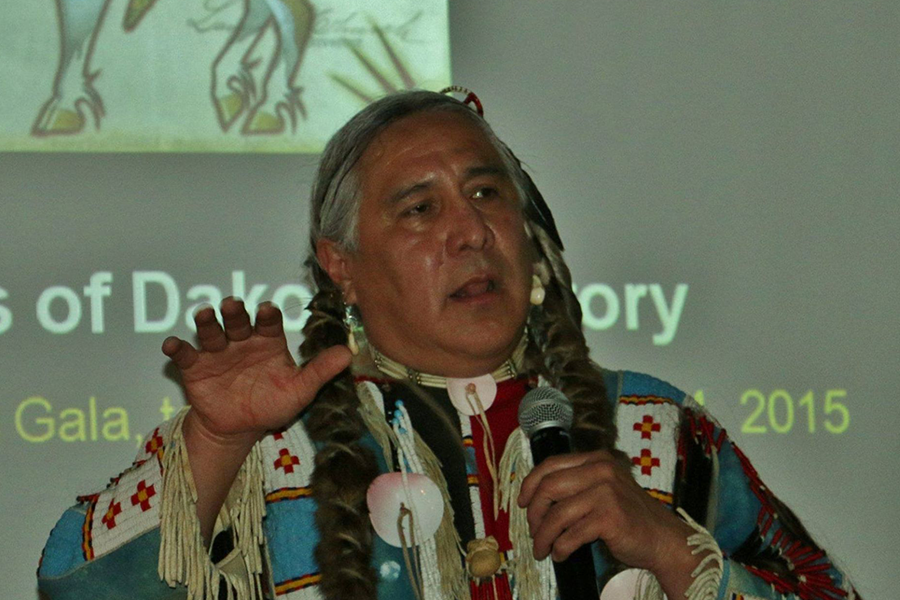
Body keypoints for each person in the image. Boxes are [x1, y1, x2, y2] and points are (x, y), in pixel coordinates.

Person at [37, 90, 860, 600]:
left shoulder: (654, 430)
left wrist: (673, 550)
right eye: (420, 209)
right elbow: (76, 589)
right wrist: (214, 440)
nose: (470, 230)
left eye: (485, 193)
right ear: (341, 266)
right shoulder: (273, 456)